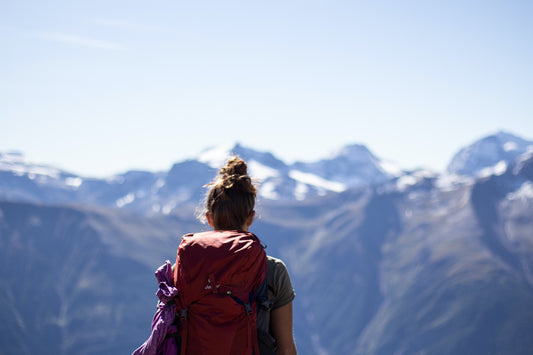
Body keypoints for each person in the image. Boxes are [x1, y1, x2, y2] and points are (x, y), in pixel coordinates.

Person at [176, 155, 298, 355]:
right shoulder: (273, 270)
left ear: (209, 218)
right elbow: (286, 349)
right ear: (251, 217)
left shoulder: (183, 268)